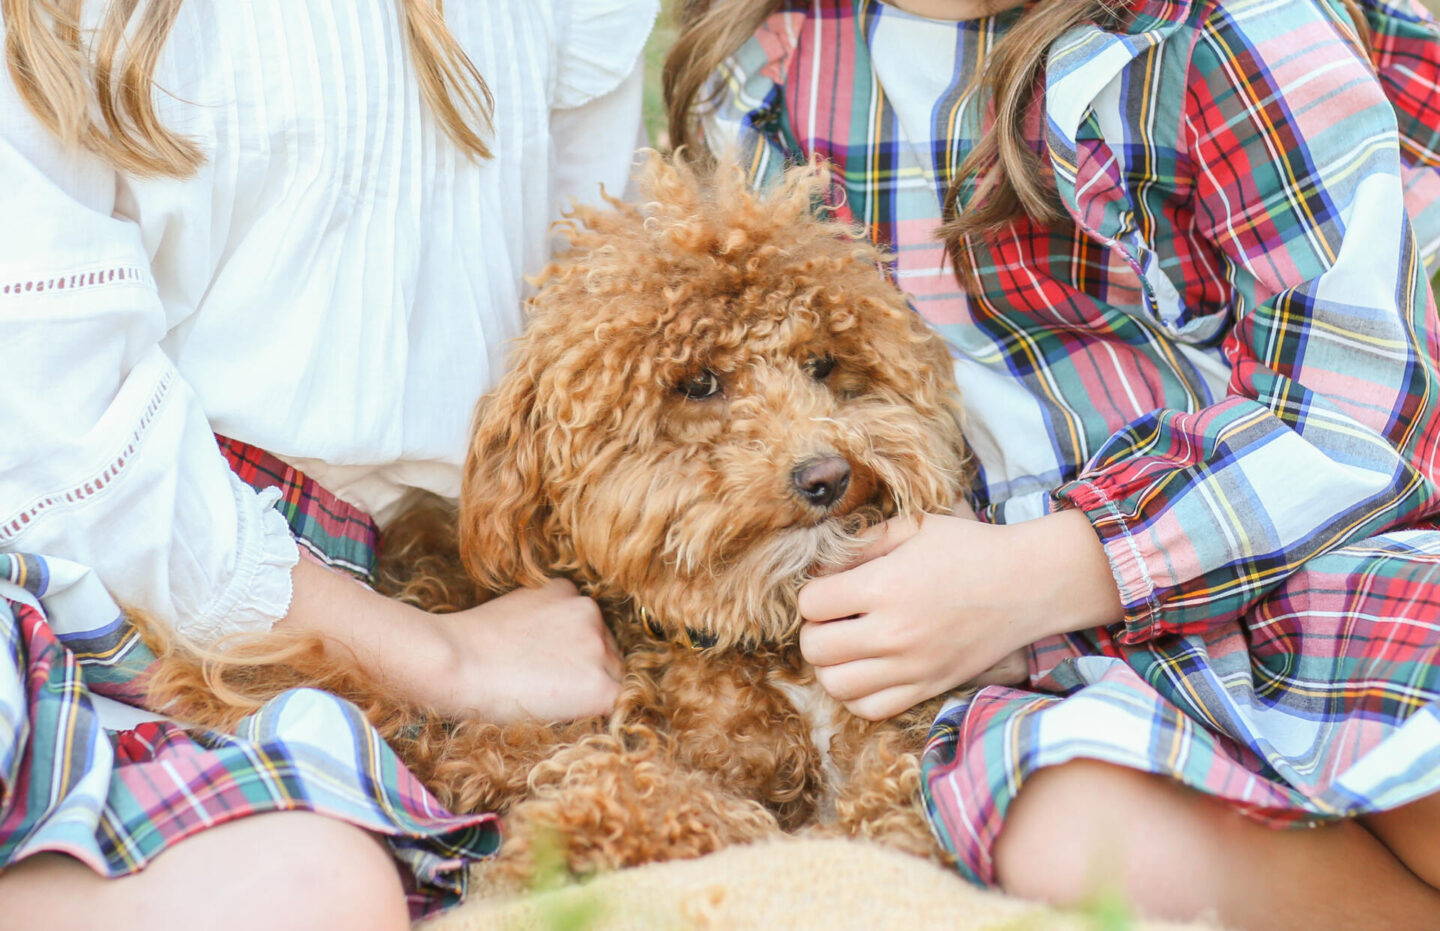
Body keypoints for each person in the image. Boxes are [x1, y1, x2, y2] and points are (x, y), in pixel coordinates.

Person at [667, 0, 1440, 925]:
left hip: (1298, 550)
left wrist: (1050, 567)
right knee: (1073, 839)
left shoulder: (1215, 34)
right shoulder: (768, 65)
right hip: (1004, 645)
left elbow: (1361, 408)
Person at [0, 0, 657, 927]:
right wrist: (439, 654)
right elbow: (48, 434)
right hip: (92, 593)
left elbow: (588, 305)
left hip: (438, 577)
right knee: (313, 891)